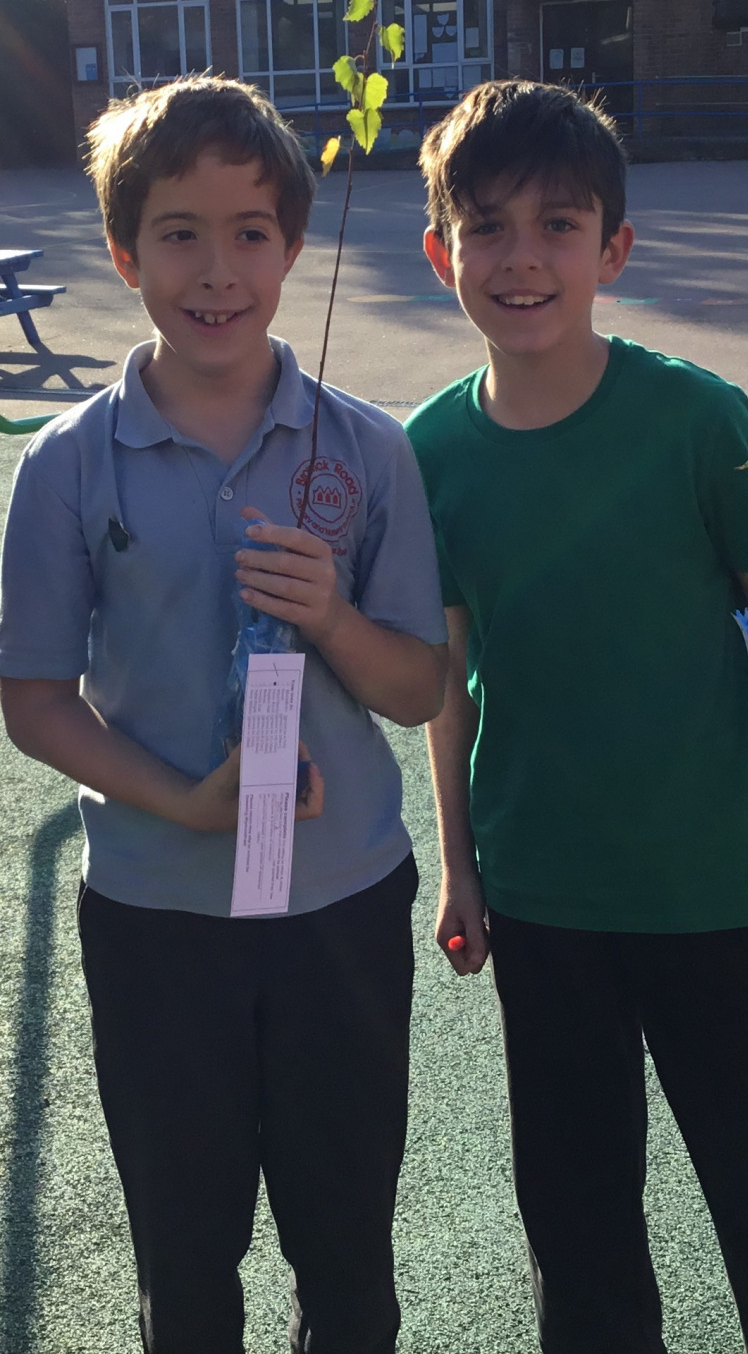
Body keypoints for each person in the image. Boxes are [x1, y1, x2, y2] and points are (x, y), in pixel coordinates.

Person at [406, 80, 748, 1354]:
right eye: (487, 227)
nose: (522, 258)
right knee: (582, 1253)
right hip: (545, 904)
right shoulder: (426, 452)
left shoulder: (693, 415)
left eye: (558, 225)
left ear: (611, 249)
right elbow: (448, 682)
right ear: (440, 254)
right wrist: (459, 864)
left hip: (729, 895)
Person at [0, 78, 448, 1354]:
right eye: (179, 233)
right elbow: (33, 701)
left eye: (251, 232)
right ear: (124, 251)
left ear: (292, 247)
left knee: (346, 1247)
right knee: (185, 1254)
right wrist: (185, 802)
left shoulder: (366, 448)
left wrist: (333, 617)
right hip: (158, 912)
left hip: (339, 903)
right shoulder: (68, 461)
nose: (216, 270)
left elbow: (418, 688)